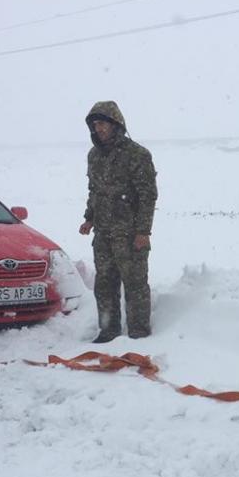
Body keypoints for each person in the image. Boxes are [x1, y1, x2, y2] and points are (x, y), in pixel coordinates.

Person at [79, 101, 158, 343]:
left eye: (102, 123)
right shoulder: (94, 156)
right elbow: (94, 190)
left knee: (134, 284)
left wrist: (143, 231)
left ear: (115, 124)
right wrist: (89, 218)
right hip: (103, 234)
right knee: (104, 284)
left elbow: (148, 195)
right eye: (95, 124)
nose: (98, 128)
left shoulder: (137, 154)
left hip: (130, 233)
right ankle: (108, 330)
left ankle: (138, 332)